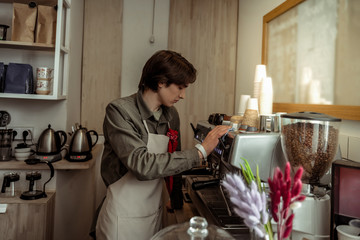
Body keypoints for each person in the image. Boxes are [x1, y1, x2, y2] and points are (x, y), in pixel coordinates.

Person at [95, 50, 230, 240]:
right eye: (180, 87)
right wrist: (201, 151)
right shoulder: (120, 111)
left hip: (153, 214)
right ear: (161, 82)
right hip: (121, 218)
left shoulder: (171, 115)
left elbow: (173, 163)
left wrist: (175, 201)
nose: (183, 95)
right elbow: (142, 165)